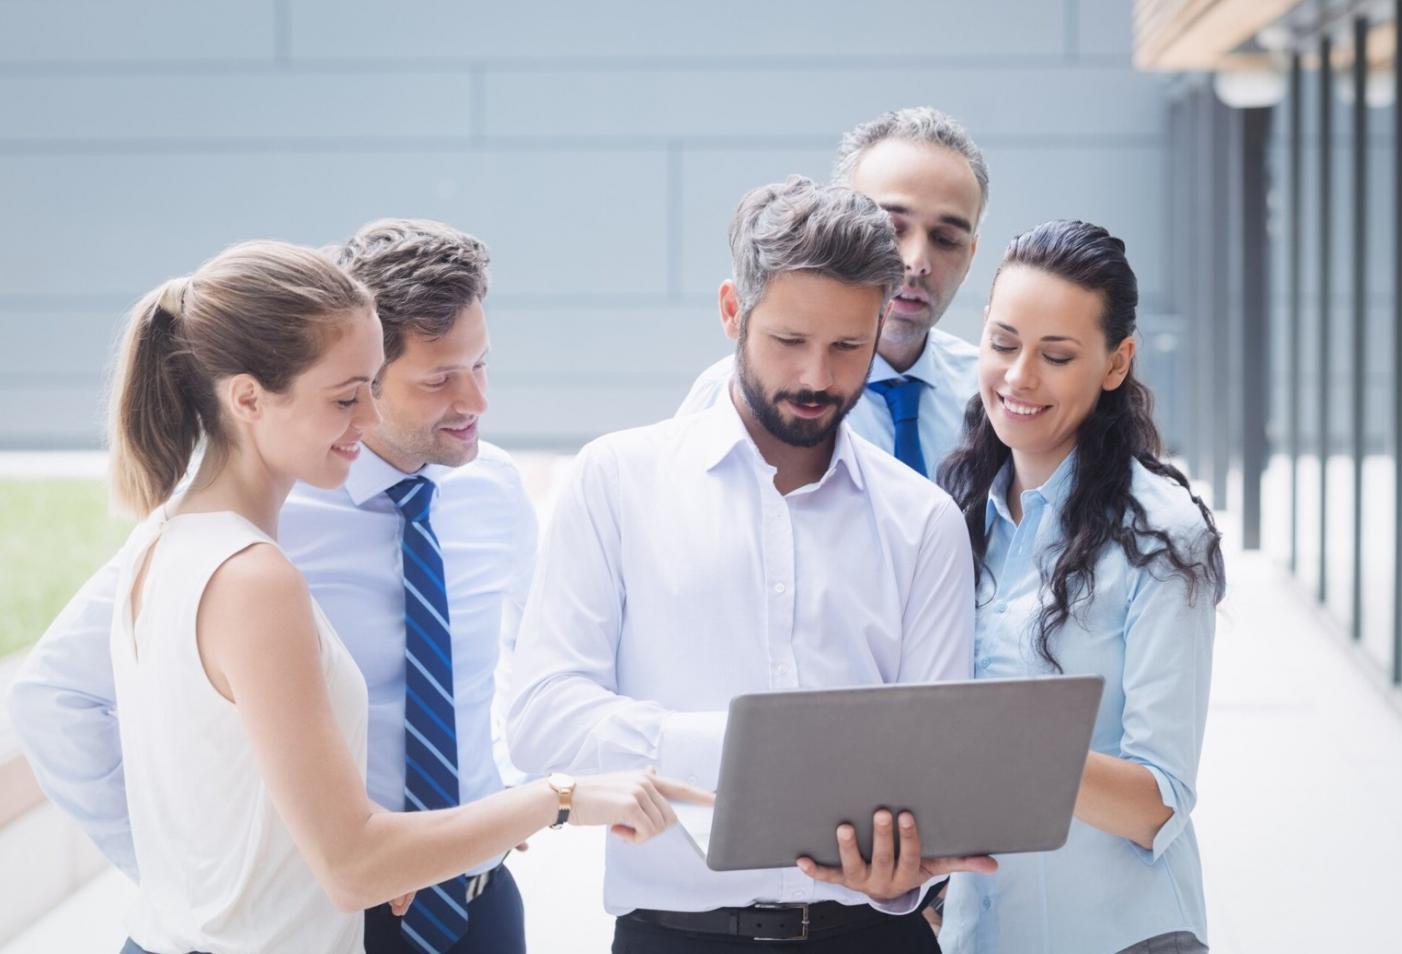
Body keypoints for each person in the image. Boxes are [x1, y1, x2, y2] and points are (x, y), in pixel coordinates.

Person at [10, 229, 709, 954]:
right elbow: (348, 862)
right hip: (321, 917)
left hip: (449, 890)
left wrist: (471, 818)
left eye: (481, 364)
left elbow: (527, 675)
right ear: (250, 398)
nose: (370, 419)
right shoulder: (251, 569)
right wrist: (553, 801)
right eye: (354, 395)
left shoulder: (192, 538)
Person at [505, 176, 996, 954]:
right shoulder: (615, 482)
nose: (815, 378)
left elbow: (929, 770)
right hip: (673, 936)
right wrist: (751, 749)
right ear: (733, 311)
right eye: (789, 342)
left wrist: (906, 877)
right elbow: (541, 720)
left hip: (870, 938)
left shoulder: (923, 519)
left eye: (846, 347)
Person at [935, 220, 1225, 954]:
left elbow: (1159, 804)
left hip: (1122, 935)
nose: (1019, 377)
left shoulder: (1165, 536)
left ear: (1116, 363)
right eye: (1003, 344)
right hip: (979, 933)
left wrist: (1004, 745)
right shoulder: (955, 514)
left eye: (1056, 355)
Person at [677, 107, 987, 478]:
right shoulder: (734, 398)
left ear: (970, 256)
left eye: (945, 239)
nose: (917, 260)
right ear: (840, 223)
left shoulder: (994, 398)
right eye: (891, 227)